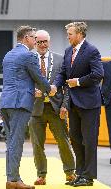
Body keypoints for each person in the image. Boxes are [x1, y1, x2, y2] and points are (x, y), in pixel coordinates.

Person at [0, 25, 57, 189]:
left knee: (11, 142)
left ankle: (13, 178)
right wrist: (49, 89)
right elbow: (38, 77)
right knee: (16, 142)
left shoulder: (8, 55)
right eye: (33, 38)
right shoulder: (28, 56)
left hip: (6, 103)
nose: (36, 40)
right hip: (20, 104)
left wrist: (32, 91)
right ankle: (13, 181)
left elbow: (17, 79)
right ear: (26, 38)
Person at [53, 22, 104, 187]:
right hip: (73, 103)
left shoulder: (92, 51)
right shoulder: (68, 51)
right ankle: (80, 173)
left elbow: (98, 74)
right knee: (75, 139)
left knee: (89, 141)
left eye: (70, 34)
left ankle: (88, 177)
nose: (68, 37)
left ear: (80, 34)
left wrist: (79, 82)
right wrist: (55, 85)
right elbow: (62, 72)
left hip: (89, 103)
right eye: (67, 34)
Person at [28, 30, 75, 185]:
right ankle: (41, 175)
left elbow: (67, 86)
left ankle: (70, 172)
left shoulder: (61, 60)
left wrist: (65, 105)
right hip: (35, 109)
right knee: (37, 145)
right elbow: (22, 83)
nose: (42, 45)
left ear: (49, 41)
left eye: (44, 41)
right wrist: (30, 91)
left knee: (63, 141)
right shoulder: (28, 60)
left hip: (56, 108)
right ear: (34, 42)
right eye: (39, 42)